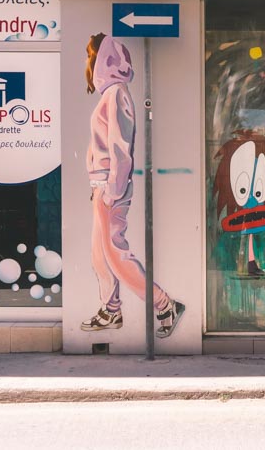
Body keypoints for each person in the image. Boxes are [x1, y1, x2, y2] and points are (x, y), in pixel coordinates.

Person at [81, 33, 184, 337]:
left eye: (91, 56)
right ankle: (111, 310)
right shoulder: (109, 94)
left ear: (103, 59)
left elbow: (120, 146)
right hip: (101, 186)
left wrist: (112, 189)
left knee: (116, 256)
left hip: (111, 187)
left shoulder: (116, 94)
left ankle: (165, 305)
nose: (88, 62)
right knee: (99, 256)